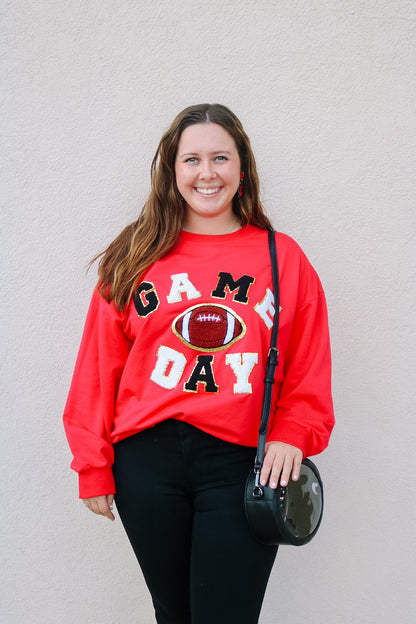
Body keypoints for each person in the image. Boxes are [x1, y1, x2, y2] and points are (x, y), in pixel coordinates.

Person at [63, 103, 334, 624]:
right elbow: (99, 366)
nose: (206, 173)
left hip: (240, 464)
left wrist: (294, 430)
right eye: (191, 159)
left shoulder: (282, 257)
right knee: (174, 613)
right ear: (172, 170)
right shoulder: (136, 253)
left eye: (220, 158)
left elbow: (308, 363)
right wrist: (93, 465)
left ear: (241, 168)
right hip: (146, 462)